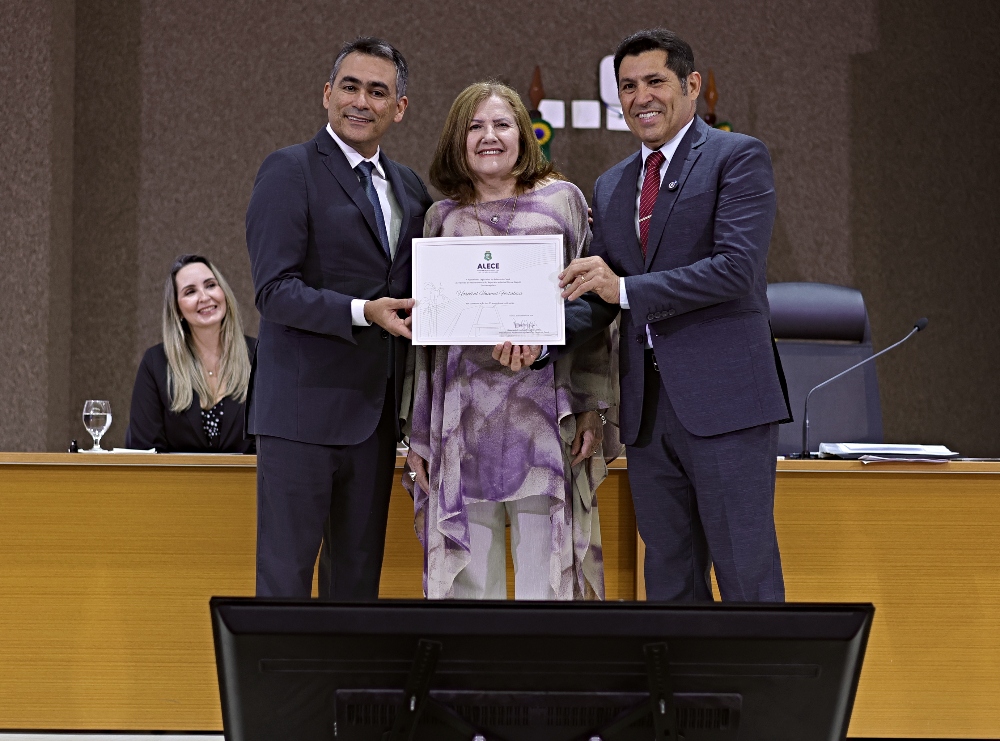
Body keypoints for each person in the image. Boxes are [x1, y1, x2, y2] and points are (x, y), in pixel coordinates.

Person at [555, 29, 792, 602]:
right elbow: (599, 297)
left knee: (745, 576)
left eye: (655, 81)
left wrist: (626, 289)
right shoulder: (612, 186)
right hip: (647, 410)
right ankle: (683, 696)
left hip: (726, 403)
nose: (642, 97)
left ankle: (758, 694)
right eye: (628, 86)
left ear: (690, 85)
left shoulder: (737, 157)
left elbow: (735, 269)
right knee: (669, 580)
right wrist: (534, 340)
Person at [404, 81, 619, 601]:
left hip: (544, 414)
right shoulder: (441, 218)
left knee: (545, 577)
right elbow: (425, 341)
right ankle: (470, 683)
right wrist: (419, 431)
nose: (489, 137)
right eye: (474, 126)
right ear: (457, 140)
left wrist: (591, 407)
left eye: (501, 124)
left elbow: (593, 312)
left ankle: (544, 682)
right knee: (469, 588)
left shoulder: (563, 203)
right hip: (462, 419)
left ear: (523, 135)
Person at [245, 37, 433, 600]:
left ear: (398, 108)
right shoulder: (289, 170)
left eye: (378, 91)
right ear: (327, 94)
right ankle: (281, 694)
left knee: (356, 585)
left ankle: (347, 691)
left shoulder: (410, 188)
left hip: (374, 423)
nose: (361, 101)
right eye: (349, 86)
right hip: (300, 417)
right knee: (285, 582)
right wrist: (362, 313)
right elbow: (274, 291)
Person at [126, 254, 255, 454]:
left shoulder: (258, 356)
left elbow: (274, 445)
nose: (204, 297)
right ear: (177, 309)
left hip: (248, 484)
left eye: (211, 285)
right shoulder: (156, 363)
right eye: (190, 292)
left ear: (224, 293)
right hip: (175, 485)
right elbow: (145, 450)